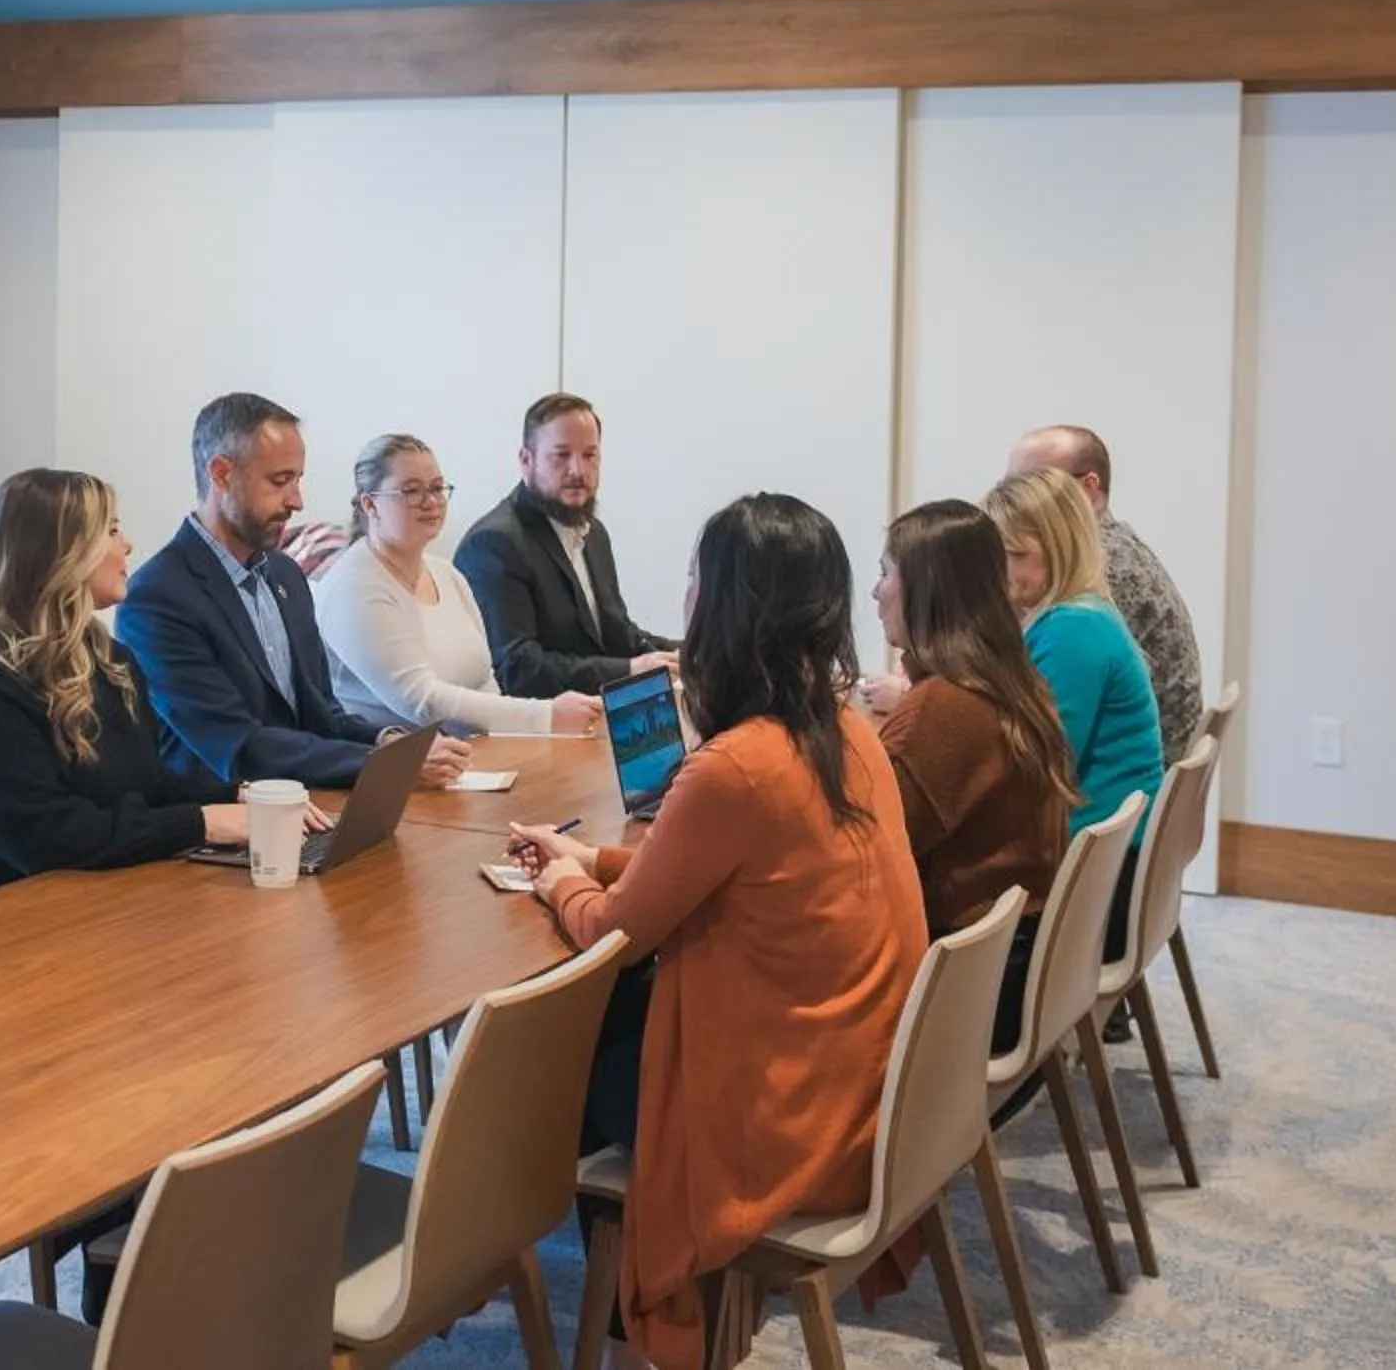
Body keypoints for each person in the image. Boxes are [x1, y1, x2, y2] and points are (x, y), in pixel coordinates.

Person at [507, 494, 924, 1370]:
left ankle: (637, 1333)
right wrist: (595, 862)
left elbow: (614, 937)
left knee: (567, 1057)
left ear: (722, 604)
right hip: (862, 1085)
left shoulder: (735, 767)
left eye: (695, 576)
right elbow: (721, 874)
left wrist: (560, 882)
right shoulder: (845, 731)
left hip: (782, 1115)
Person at [0, 468, 245, 900]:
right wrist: (204, 822)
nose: (128, 545)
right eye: (112, 530)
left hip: (71, 894)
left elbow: (148, 785)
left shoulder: (110, 660)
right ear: (62, 551)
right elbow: (46, 839)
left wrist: (244, 796)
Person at [117, 393, 470, 790]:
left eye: (298, 480)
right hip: (221, 821)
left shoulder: (284, 575)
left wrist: (389, 741)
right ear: (220, 474)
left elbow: (323, 715)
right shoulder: (157, 596)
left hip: (307, 802)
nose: (297, 501)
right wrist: (385, 762)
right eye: (280, 481)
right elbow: (237, 746)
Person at [869, 499, 1080, 1056]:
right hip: (1013, 971)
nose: (875, 592)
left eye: (885, 573)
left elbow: (862, 861)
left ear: (927, 588)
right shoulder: (1009, 680)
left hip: (965, 1001)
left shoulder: (946, 708)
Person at [984, 465, 1165, 971]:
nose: (1002, 571)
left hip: (1094, 888)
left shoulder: (1072, 631)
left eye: (1016, 555)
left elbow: (1038, 761)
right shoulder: (1073, 615)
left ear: (1060, 548)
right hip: (1105, 864)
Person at [314, 433, 602, 737]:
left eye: (437, 488)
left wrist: (517, 743)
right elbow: (422, 700)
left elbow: (485, 682)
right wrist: (546, 716)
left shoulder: (447, 574)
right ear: (370, 505)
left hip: (471, 758)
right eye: (412, 490)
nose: (431, 501)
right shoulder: (354, 586)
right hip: (398, 768)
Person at [454, 393, 678, 699]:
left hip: (597, 716)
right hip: (535, 730)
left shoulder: (594, 532)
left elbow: (618, 634)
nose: (578, 470)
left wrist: (683, 656)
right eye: (561, 455)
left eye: (589, 455)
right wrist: (629, 670)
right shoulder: (494, 543)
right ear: (525, 460)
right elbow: (517, 670)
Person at [1008, 424, 1205, 759]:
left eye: (1037, 485)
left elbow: (1044, 741)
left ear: (1088, 487)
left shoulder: (1098, 565)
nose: (1020, 502)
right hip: (1138, 764)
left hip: (1129, 777)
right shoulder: (1109, 545)